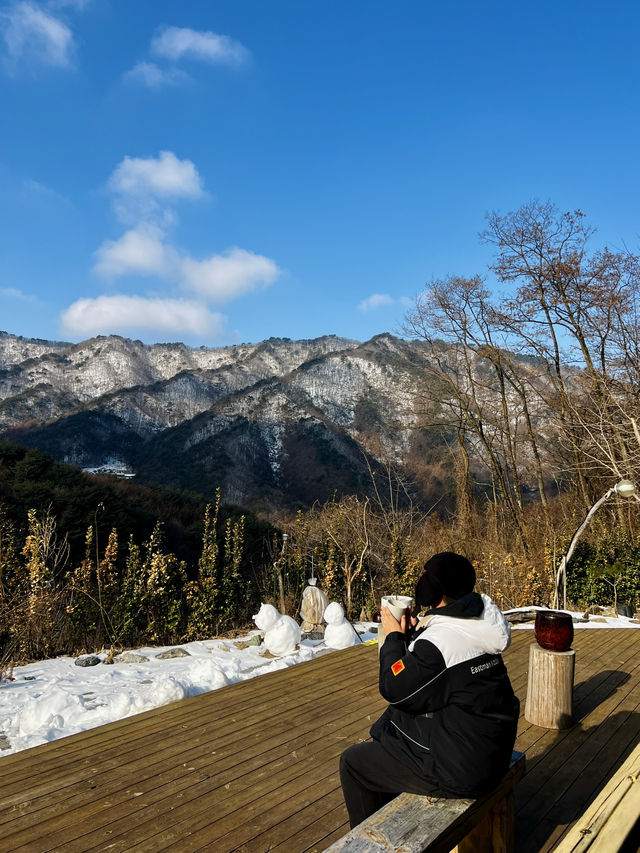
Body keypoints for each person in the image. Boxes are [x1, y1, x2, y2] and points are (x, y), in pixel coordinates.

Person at [339, 551, 520, 828]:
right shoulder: (479, 623)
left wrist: (393, 638)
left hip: (464, 771)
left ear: (435, 592)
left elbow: (394, 689)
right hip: (492, 749)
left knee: (353, 763)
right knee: (387, 732)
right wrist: (413, 636)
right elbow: (439, 677)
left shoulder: (440, 642)